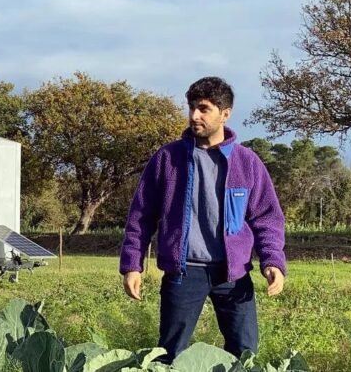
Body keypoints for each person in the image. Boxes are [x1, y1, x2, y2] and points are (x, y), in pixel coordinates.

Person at [118, 76, 286, 363]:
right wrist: (132, 264)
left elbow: (267, 218)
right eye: (192, 107)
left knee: (245, 354)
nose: (194, 115)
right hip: (184, 273)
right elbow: (141, 214)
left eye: (204, 109)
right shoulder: (168, 159)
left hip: (233, 274)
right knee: (170, 354)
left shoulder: (247, 163)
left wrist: (273, 262)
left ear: (225, 114)